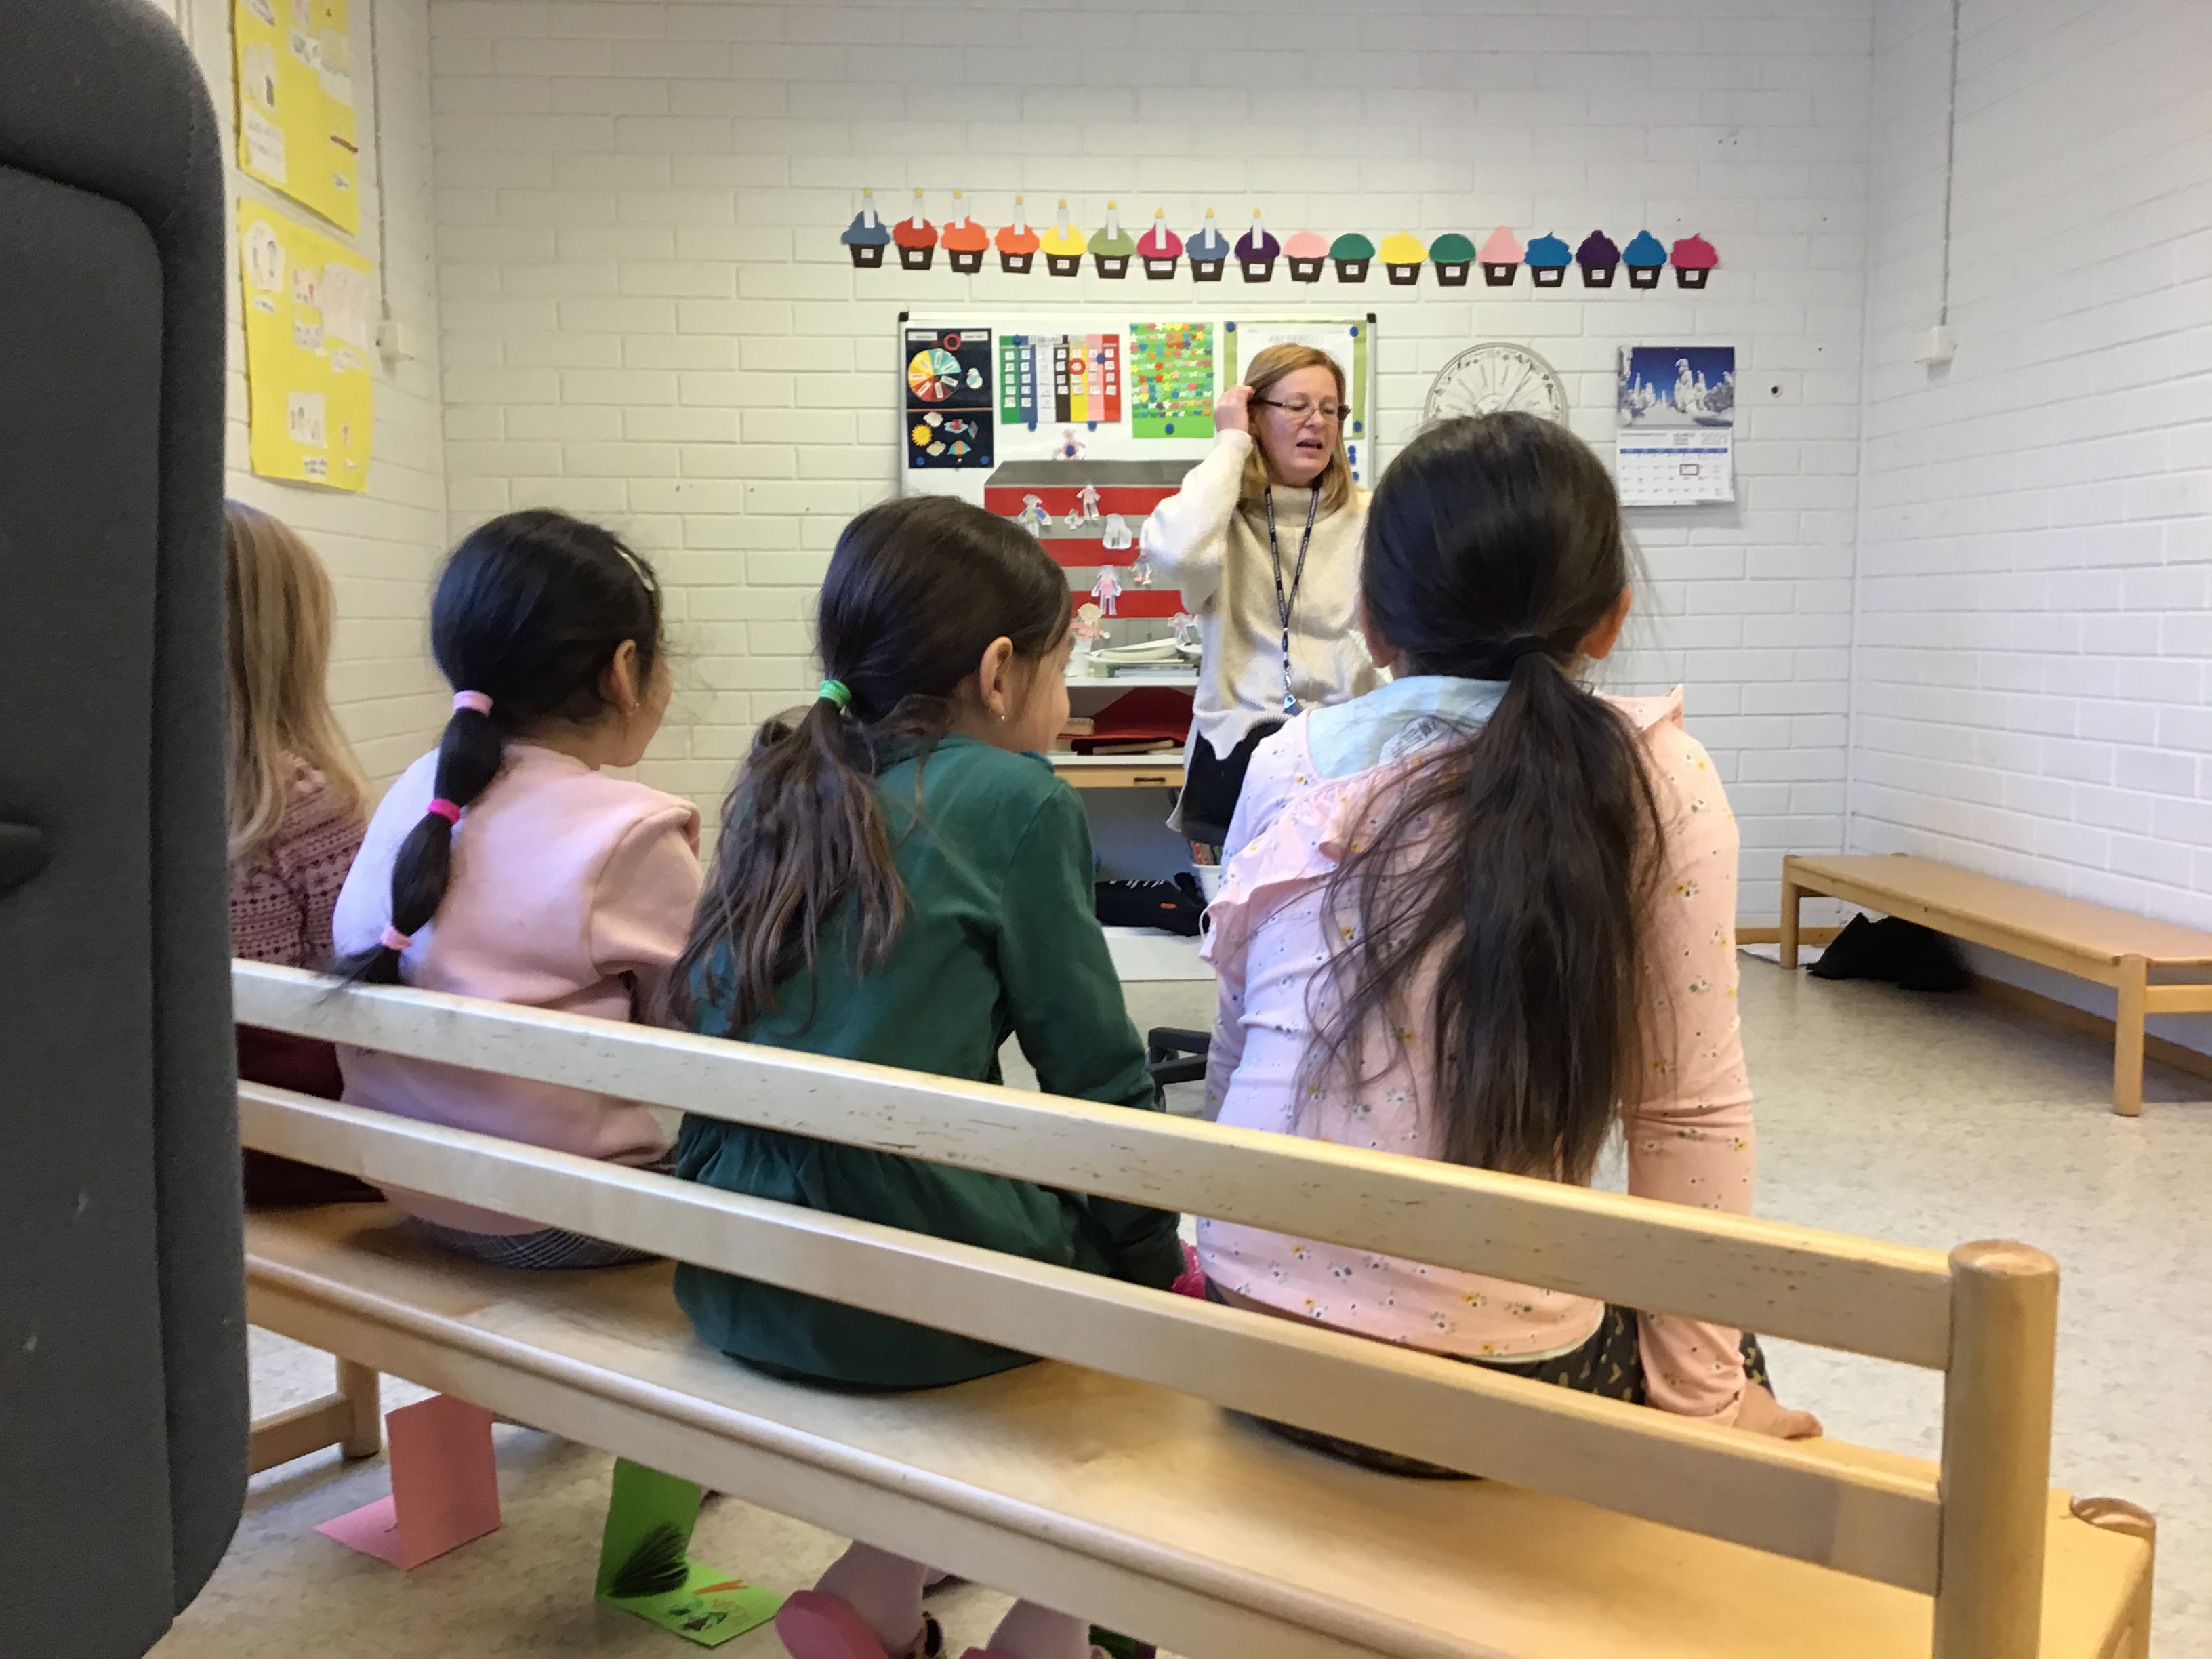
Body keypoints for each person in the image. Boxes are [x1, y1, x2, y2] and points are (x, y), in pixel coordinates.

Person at [1196, 413, 1821, 1471]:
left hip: (1249, 1338)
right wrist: (1715, 1413)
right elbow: (1688, 1118)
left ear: (1372, 622)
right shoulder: (1658, 777)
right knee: (1722, 1337)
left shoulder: (1287, 762)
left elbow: (1232, 1043)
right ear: (1612, 618)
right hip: (1500, 1393)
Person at [666, 495, 1186, 1659]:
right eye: (1065, 665)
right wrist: (1158, 1268)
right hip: (896, 1299)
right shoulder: (1018, 799)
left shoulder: (780, 776)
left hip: (732, 1259)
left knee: (1006, 1230)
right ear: (999, 673)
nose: (1068, 698)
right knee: (1140, 1323)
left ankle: (873, 1598)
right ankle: (1050, 1634)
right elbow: (1098, 1082)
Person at [331, 509, 701, 1267]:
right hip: (553, 1217)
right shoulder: (632, 830)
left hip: (410, 1183)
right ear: (624, 668)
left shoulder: (420, 793)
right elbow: (712, 1028)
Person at [1138, 342, 1381, 851]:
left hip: (1345, 753)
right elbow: (1177, 554)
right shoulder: (1220, 514)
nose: (1317, 422)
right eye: (1297, 406)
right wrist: (1230, 443)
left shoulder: (1370, 515)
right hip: (1242, 751)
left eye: (1330, 409)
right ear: (1255, 417)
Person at [222, 501, 380, 1207]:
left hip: (167, 1125)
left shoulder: (120, 799)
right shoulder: (307, 803)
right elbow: (361, 986)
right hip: (295, 1145)